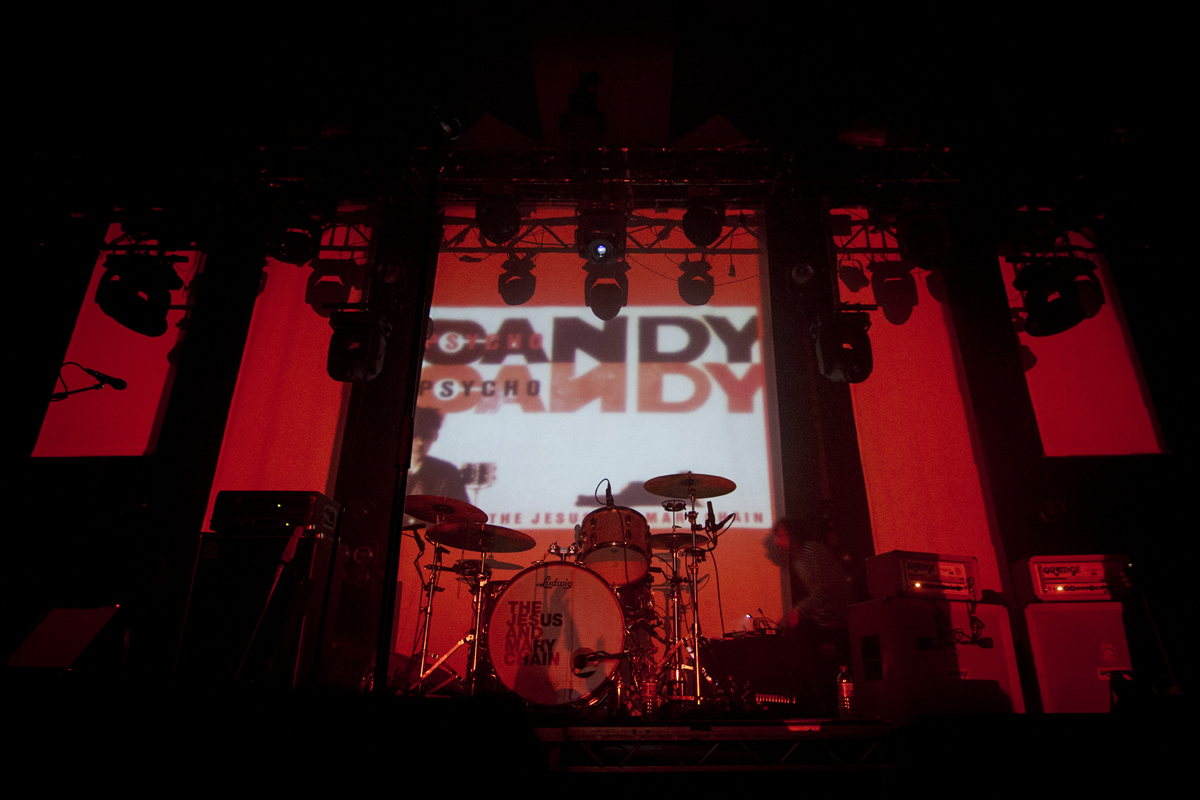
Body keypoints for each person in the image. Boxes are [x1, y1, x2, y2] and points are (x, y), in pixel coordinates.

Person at [405, 406, 469, 502]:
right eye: (416, 434)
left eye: (426, 435)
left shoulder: (447, 473)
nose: (420, 442)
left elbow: (461, 513)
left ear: (435, 436)